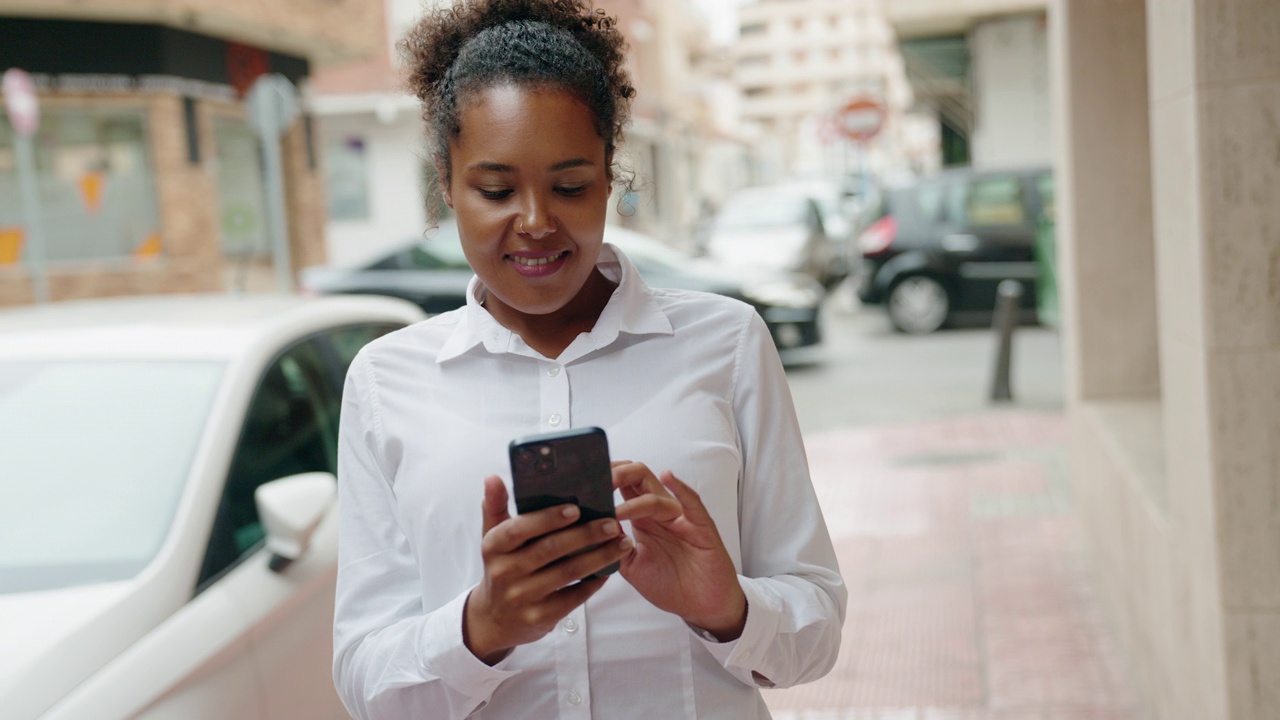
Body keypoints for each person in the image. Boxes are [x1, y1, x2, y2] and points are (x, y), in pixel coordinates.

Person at [331, 1, 846, 718]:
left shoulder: (727, 343)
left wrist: (728, 605)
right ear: (446, 185)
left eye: (570, 185)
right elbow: (364, 680)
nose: (537, 221)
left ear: (610, 177)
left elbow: (816, 628)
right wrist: (480, 628)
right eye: (496, 189)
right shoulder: (386, 381)